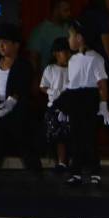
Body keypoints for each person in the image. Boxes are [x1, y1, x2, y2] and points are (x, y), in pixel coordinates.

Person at [0, 23, 41, 180]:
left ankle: (36, 173)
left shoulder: (23, 65)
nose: (0, 46)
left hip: (17, 112)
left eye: (5, 42)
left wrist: (12, 101)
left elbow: (22, 87)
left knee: (24, 143)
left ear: (16, 45)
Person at [57, 21, 109, 187]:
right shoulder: (73, 59)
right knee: (75, 137)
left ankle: (94, 171)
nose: (69, 40)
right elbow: (70, 84)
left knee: (89, 137)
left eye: (70, 36)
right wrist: (64, 106)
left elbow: (102, 83)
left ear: (80, 38)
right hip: (75, 99)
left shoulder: (95, 58)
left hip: (89, 98)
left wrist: (103, 106)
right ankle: (76, 172)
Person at [40, 37, 72, 172]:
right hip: (55, 106)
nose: (67, 55)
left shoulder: (73, 67)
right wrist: (52, 91)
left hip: (70, 106)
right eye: (64, 52)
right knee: (58, 136)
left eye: (69, 52)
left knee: (70, 134)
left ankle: (71, 161)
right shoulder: (50, 69)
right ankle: (61, 162)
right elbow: (42, 86)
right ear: (56, 53)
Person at [26, 0, 72, 71]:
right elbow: (33, 59)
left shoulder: (69, 27)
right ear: (56, 10)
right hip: (50, 77)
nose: (69, 13)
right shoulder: (40, 30)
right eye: (66, 10)